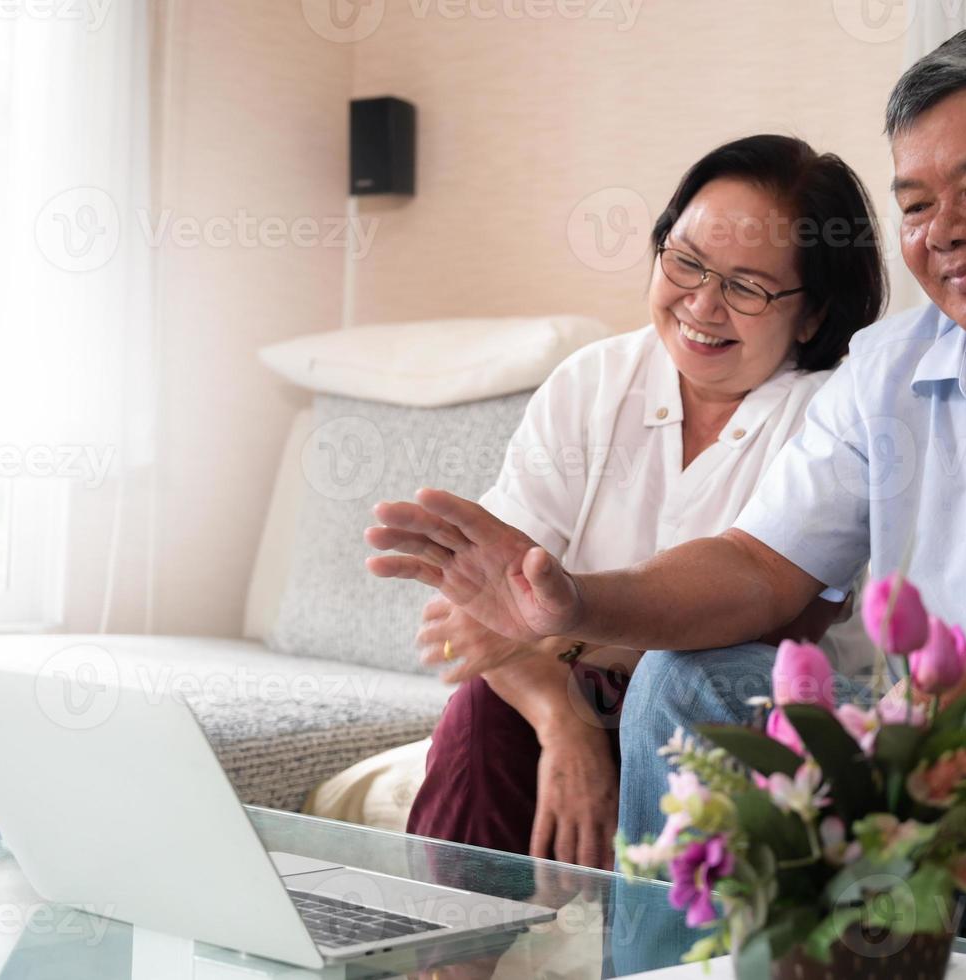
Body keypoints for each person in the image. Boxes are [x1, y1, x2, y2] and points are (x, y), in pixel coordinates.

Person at [371, 16, 966, 978]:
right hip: (938, 830)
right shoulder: (888, 367)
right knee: (689, 680)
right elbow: (760, 565)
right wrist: (579, 600)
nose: (944, 233)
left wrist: (942, 696)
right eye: (917, 203)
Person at [365, 134, 886, 871]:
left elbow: (763, 634)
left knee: (679, 687)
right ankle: (446, 959)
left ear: (810, 314)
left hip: (752, 728)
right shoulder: (592, 382)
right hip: (590, 704)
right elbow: (467, 629)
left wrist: (550, 632)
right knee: (484, 710)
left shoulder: (832, 415)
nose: (701, 304)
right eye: (685, 262)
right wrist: (561, 722)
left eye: (745, 286)